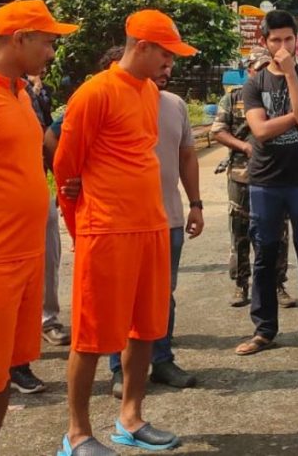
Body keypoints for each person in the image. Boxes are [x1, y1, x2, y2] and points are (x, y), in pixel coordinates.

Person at [54, 9, 193, 454]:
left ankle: (130, 418)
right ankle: (76, 434)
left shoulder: (150, 91)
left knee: (145, 328)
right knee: (92, 336)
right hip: (107, 230)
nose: (170, 64)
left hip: (151, 225)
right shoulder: (94, 93)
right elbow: (66, 167)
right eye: (166, 54)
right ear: (143, 47)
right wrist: (84, 228)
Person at [0, 0, 76, 456]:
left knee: (4, 377)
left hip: (24, 259)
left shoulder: (19, 92)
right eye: (48, 41)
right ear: (20, 38)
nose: (52, 51)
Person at [107, 51, 205, 397]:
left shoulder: (174, 104)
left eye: (169, 65)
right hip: (122, 222)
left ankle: (162, 360)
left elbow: (187, 155)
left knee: (163, 296)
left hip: (169, 219)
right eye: (161, 63)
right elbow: (61, 142)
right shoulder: (107, 98)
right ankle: (119, 368)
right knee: (123, 298)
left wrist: (195, 204)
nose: (167, 70)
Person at [235, 9, 298, 355]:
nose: (283, 45)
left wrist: (291, 75)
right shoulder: (254, 83)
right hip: (266, 181)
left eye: (289, 39)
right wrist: (296, 115)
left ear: (297, 40)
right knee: (265, 255)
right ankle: (264, 330)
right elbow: (260, 131)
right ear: (264, 41)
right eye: (275, 40)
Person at [211, 53, 293, 308]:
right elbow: (218, 132)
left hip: (276, 175)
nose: (263, 73)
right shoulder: (234, 97)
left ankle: (278, 284)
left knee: (278, 231)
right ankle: (241, 285)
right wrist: (245, 148)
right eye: (258, 69)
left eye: (268, 68)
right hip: (242, 175)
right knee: (240, 230)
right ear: (249, 71)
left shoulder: (282, 96)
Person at [8, 68, 68, 396]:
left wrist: (60, 178)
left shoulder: (23, 93)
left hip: (32, 192)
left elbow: (46, 135)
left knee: (44, 265)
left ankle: (38, 333)